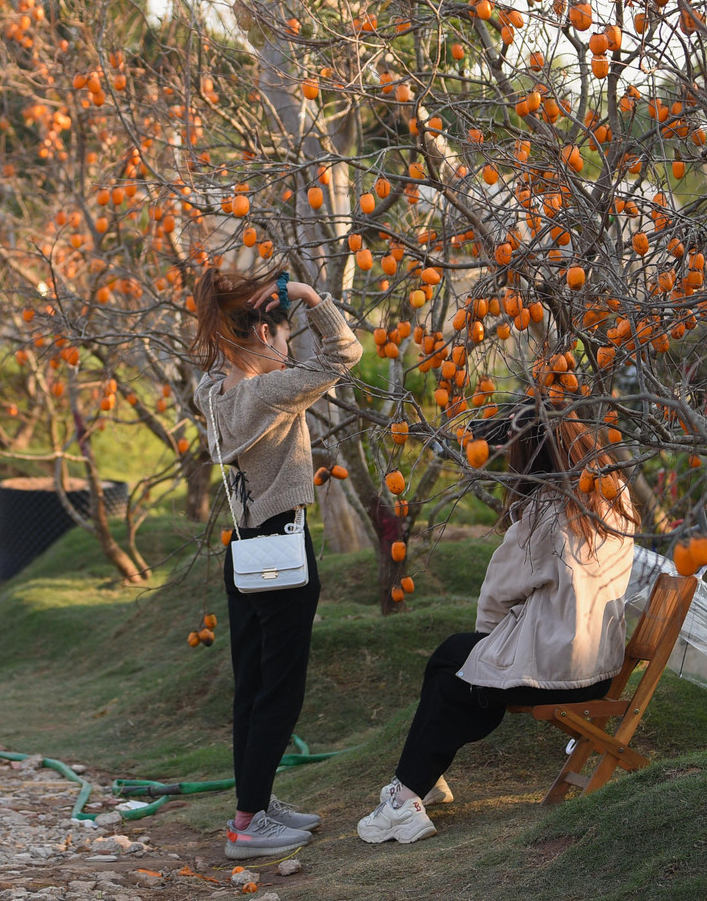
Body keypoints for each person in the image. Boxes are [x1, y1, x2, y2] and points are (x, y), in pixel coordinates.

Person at [357, 410, 639, 844]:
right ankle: (422, 779)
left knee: (456, 684)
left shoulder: (548, 512)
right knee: (449, 656)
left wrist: (488, 652)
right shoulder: (613, 492)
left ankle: (405, 801)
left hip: (555, 672)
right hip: (600, 665)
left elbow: (497, 593)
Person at [192, 265, 362, 860]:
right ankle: (248, 823)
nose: (290, 349)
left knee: (253, 687)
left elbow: (220, 362)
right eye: (285, 337)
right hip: (284, 549)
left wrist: (232, 311)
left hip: (243, 551)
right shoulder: (270, 391)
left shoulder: (213, 396)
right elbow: (344, 353)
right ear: (266, 337)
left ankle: (255, 806)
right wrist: (312, 298)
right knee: (281, 690)